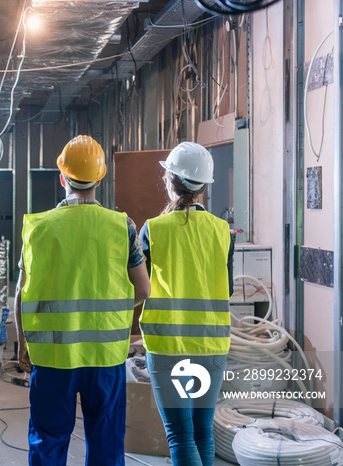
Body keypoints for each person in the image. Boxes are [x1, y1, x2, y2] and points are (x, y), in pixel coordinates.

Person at [14, 135, 151, 466]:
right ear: (99, 179)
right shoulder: (124, 226)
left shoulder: (38, 228)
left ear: (63, 177)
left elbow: (20, 294)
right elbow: (144, 290)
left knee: (48, 441)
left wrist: (22, 344)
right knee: (105, 444)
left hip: (52, 357)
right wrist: (112, 313)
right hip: (105, 357)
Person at [138, 142, 234, 466]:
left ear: (170, 180)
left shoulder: (153, 229)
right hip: (212, 344)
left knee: (180, 435)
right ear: (205, 186)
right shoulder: (224, 232)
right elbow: (228, 289)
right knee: (202, 432)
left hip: (169, 346)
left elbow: (140, 287)